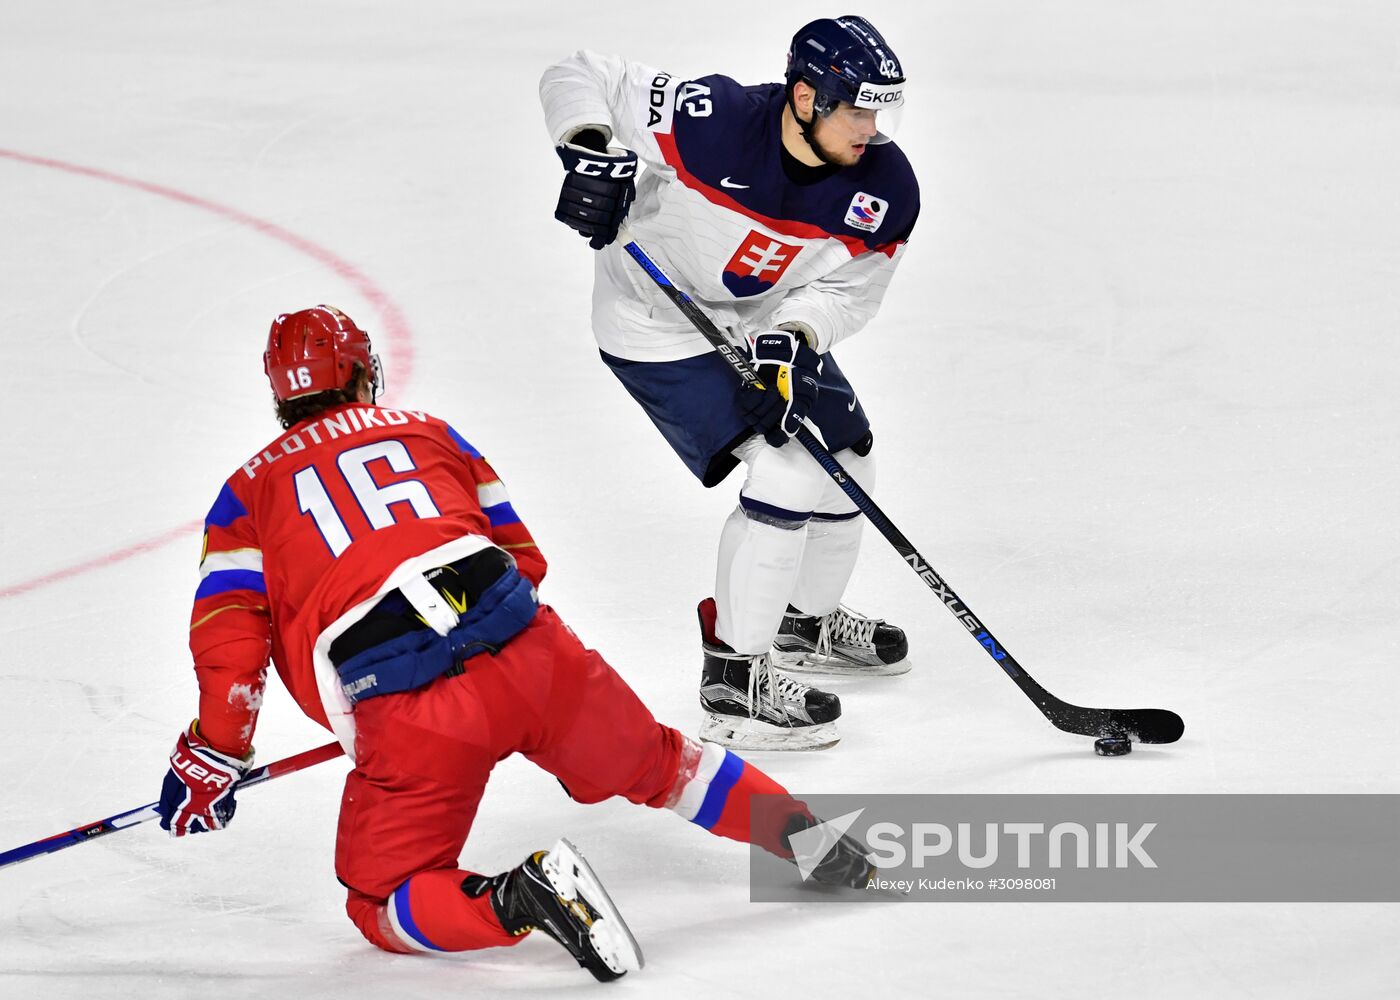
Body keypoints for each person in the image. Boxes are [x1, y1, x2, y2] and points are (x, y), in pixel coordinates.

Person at [157, 306, 874, 982]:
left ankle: (519, 898)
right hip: (526, 644)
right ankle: (813, 842)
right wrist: (532, 694)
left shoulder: (244, 493)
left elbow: (231, 649)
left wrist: (215, 753)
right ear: (360, 372)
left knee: (380, 900)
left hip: (404, 702)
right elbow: (521, 555)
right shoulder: (428, 430)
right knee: (664, 763)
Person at [540, 15, 920, 753]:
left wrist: (796, 333)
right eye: (859, 110)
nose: (873, 130)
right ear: (806, 98)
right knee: (784, 472)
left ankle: (802, 622)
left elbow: (850, 291)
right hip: (653, 322)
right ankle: (735, 683)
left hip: (756, 321)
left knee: (850, 461)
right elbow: (578, 72)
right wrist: (588, 149)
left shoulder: (886, 186)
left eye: (883, 111)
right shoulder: (708, 118)